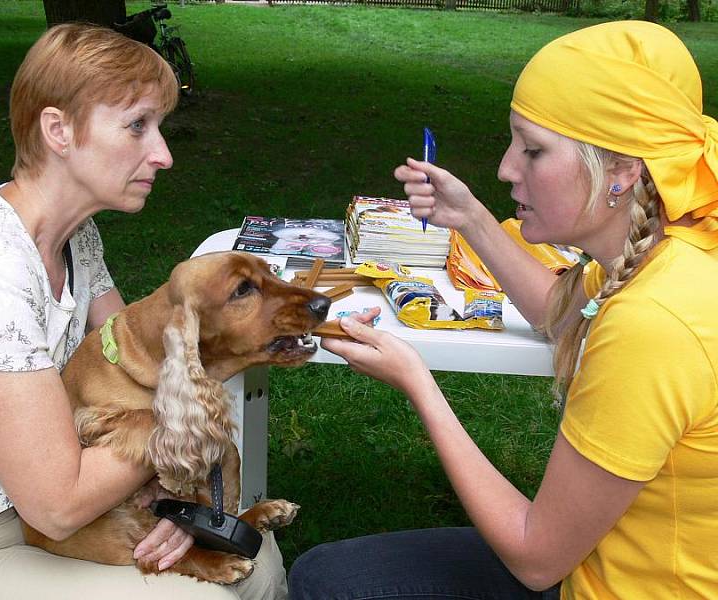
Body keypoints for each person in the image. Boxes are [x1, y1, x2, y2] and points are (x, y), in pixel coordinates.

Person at [289, 20, 718, 599]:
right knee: (327, 574)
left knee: (325, 584)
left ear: (621, 172)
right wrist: (471, 219)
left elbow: (536, 558)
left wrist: (418, 383)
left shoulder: (655, 322)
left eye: (533, 149)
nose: (506, 169)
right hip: (602, 556)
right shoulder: (672, 248)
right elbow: (560, 314)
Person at [0, 24, 287, 600]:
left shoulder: (75, 238)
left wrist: (173, 502)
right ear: (59, 130)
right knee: (203, 598)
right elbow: (60, 504)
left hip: (36, 509)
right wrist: (200, 393)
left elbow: (137, 365)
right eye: (138, 125)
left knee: (257, 561)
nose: (163, 154)